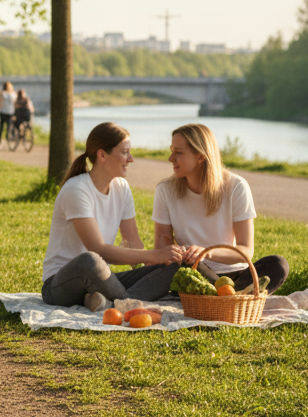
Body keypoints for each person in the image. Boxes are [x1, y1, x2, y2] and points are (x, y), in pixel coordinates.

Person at [41, 122, 183, 310]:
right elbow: (98, 249)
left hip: (101, 279)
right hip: (59, 284)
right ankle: (126, 303)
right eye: (125, 152)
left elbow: (133, 242)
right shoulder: (76, 189)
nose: (131, 159)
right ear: (102, 155)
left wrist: (150, 267)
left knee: (177, 266)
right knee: (89, 260)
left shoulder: (121, 188)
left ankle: (108, 302)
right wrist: (156, 254)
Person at [154, 123, 289, 293]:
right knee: (179, 269)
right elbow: (162, 242)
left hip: (235, 274)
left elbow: (246, 250)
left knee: (278, 264)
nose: (170, 158)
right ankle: (231, 297)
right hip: (194, 272)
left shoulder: (236, 186)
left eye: (178, 152)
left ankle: (225, 295)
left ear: (200, 156)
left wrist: (207, 252)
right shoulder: (165, 189)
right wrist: (172, 253)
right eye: (172, 151)